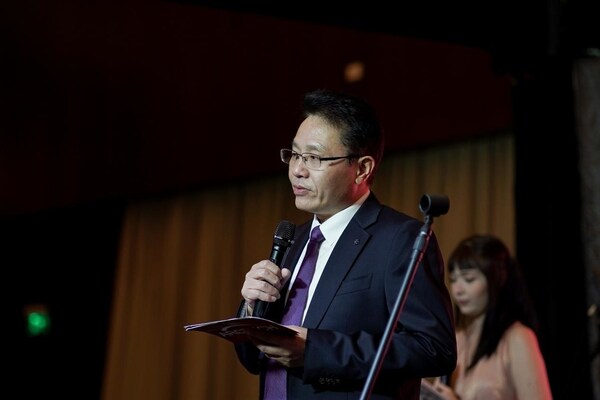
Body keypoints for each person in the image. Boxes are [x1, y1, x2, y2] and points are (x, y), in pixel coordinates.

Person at [234, 88, 457, 399]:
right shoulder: (293, 240)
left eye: (313, 157)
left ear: (362, 169)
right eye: (295, 155)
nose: (297, 170)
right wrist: (251, 309)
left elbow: (434, 348)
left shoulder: (399, 239)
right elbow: (255, 360)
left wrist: (316, 351)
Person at [432, 234, 553, 400]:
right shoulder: (457, 339)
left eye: (469, 279)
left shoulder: (517, 338)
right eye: (453, 280)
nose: (457, 290)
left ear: (495, 280)